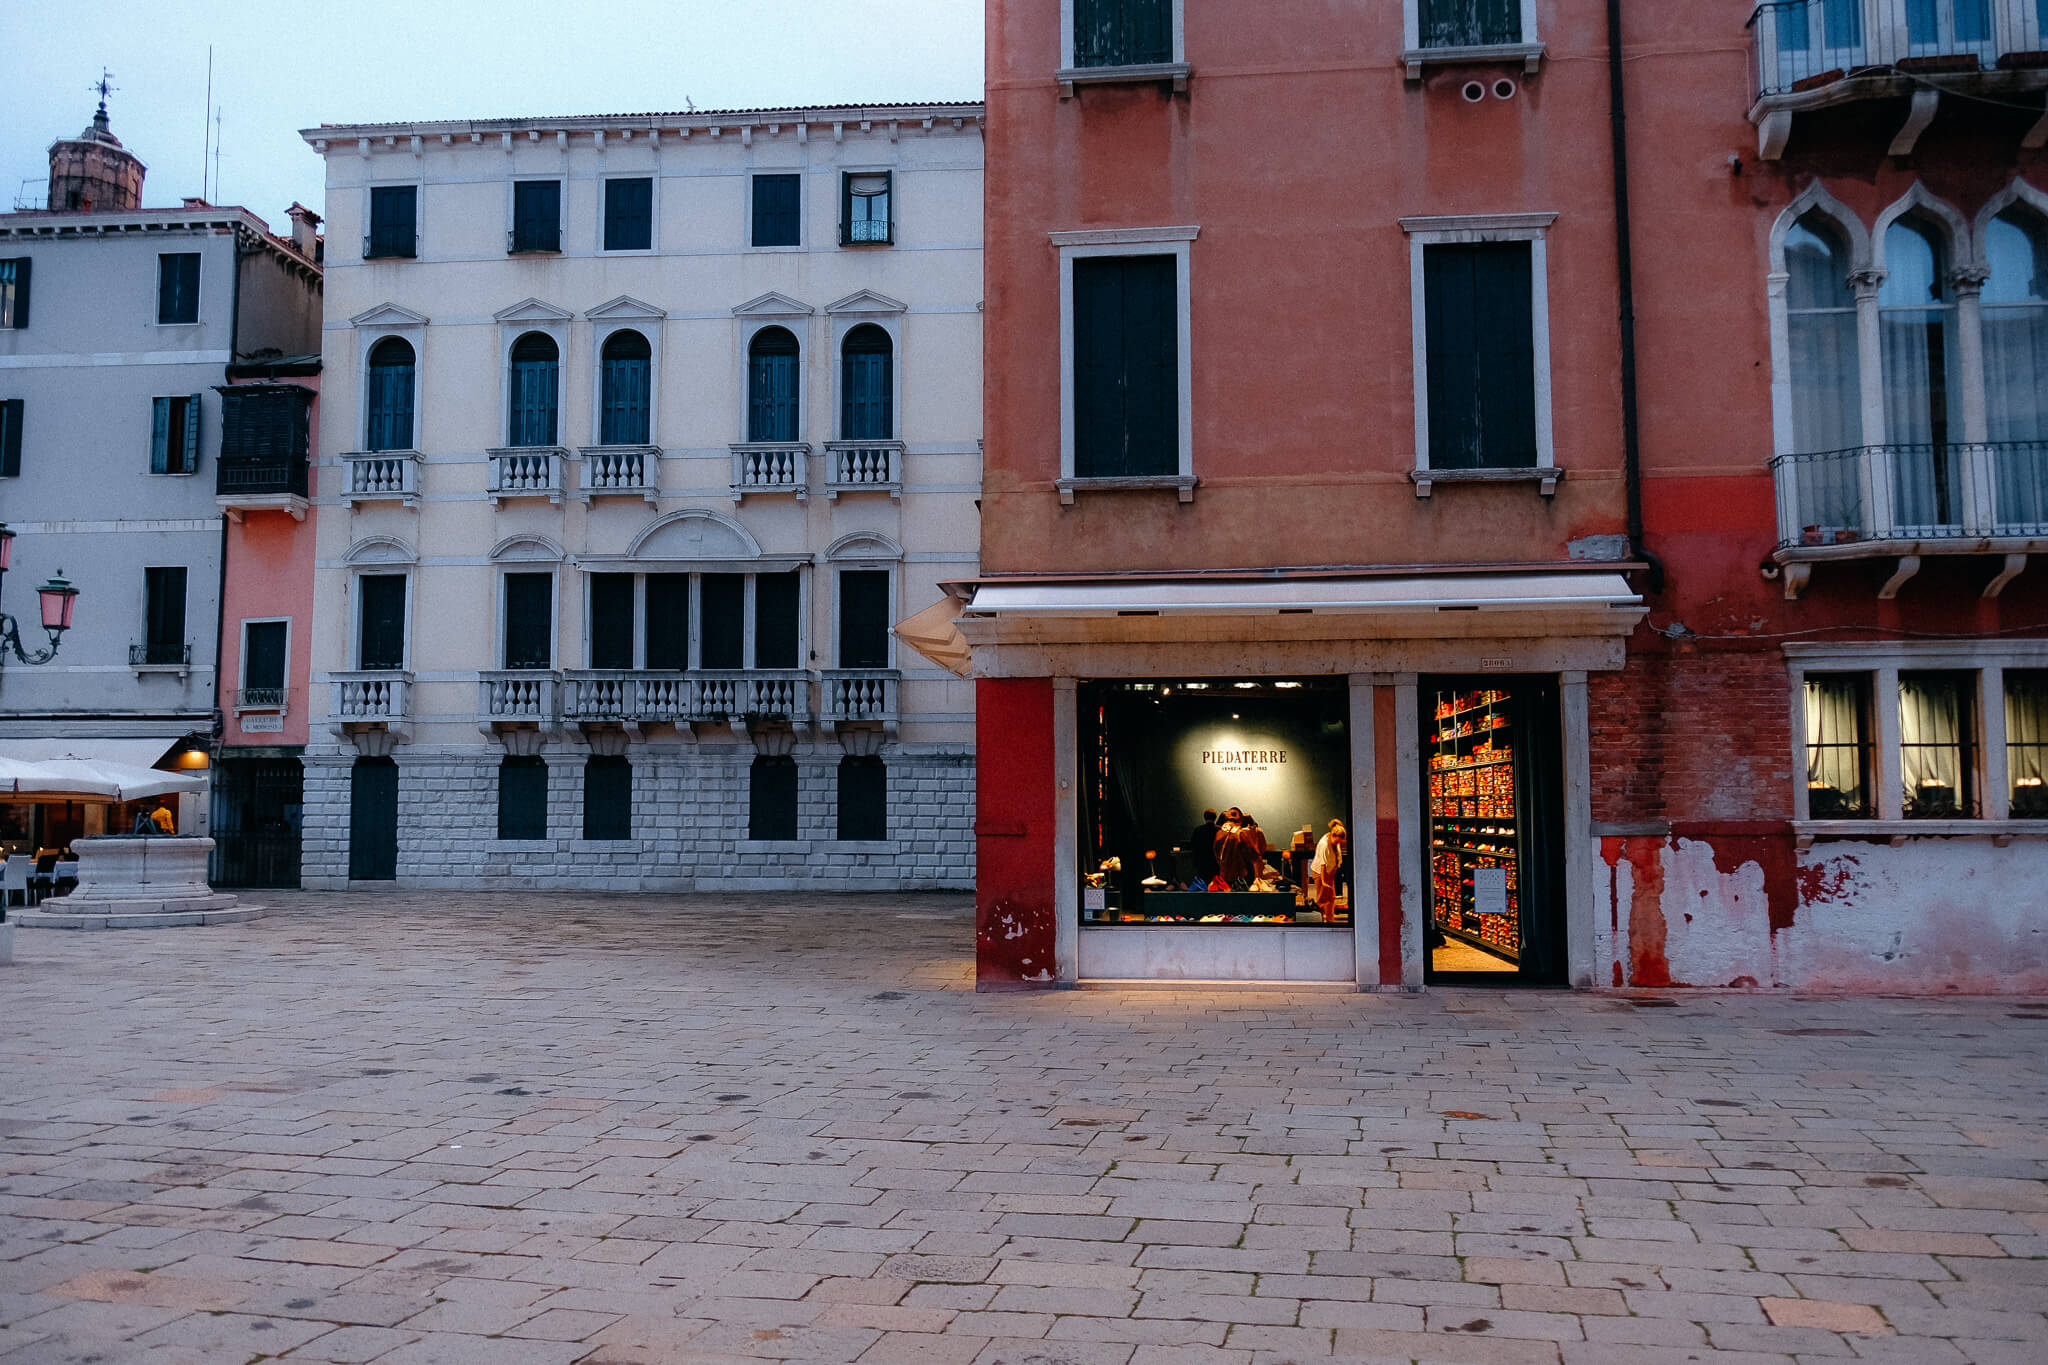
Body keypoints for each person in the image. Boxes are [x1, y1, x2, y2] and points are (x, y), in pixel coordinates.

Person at [1311, 820, 1347, 917]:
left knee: (1331, 897)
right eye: (1337, 841)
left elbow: (1337, 857)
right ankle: (1320, 919)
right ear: (1333, 835)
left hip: (1330, 871)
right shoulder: (1324, 844)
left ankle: (1330, 918)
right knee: (1322, 897)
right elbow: (1323, 864)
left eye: (1340, 841)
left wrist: (1332, 875)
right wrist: (1323, 881)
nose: (1338, 843)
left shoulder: (1336, 841)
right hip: (1320, 872)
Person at [1189, 809, 1220, 885]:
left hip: (1202, 861)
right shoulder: (1219, 830)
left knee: (1202, 884)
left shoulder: (1198, 830)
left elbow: (1193, 845)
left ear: (1204, 817)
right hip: (1215, 861)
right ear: (1215, 817)